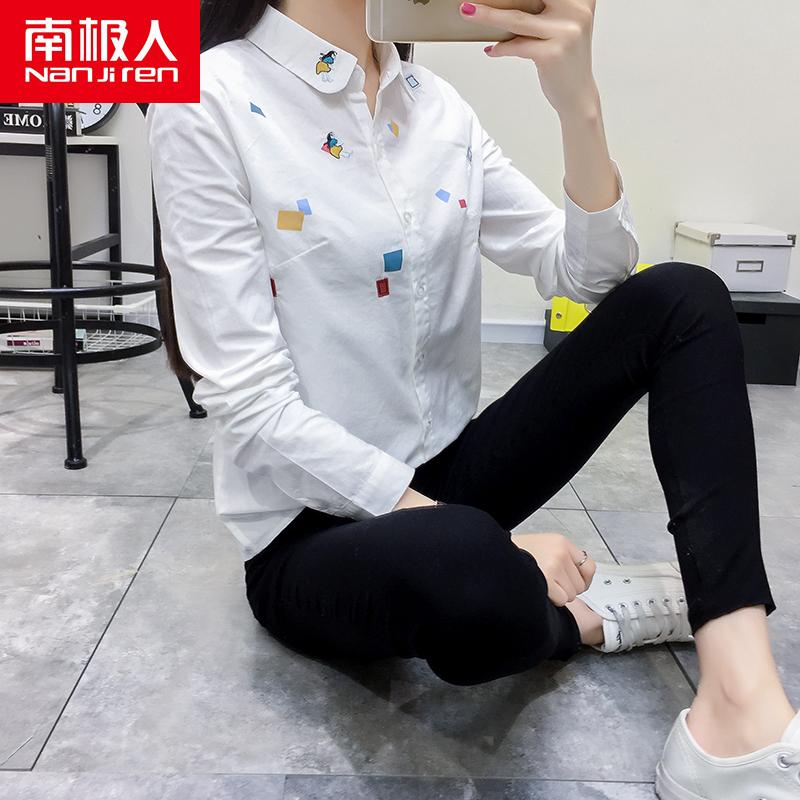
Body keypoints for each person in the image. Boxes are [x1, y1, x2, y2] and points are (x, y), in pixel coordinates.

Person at [145, 1, 799, 796]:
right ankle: (581, 618)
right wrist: (501, 548)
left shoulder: (434, 107)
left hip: (448, 473)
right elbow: (251, 404)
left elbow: (588, 276)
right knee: (468, 565)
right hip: (308, 535)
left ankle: (739, 702)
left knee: (684, 297)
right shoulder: (207, 97)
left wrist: (578, 103)